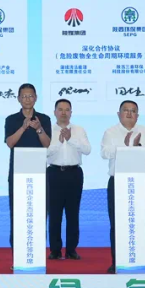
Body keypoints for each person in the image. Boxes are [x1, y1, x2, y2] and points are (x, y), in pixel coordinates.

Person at [100, 100, 145, 274]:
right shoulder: (110, 132)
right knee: (116, 224)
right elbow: (104, 153)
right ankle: (117, 261)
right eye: (126, 110)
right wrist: (124, 147)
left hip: (139, 182)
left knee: (138, 222)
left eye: (133, 111)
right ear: (119, 114)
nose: (129, 113)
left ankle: (138, 260)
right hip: (117, 181)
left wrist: (138, 147)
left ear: (137, 115)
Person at [5, 84, 52, 246]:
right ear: (19, 98)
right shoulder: (11, 119)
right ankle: (17, 249)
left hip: (39, 172)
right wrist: (23, 127)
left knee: (40, 211)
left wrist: (39, 129)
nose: (27, 99)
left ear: (36, 98)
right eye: (24, 96)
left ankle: (37, 248)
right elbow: (10, 143)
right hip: (17, 173)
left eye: (30, 96)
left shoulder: (44, 119)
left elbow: (47, 144)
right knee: (17, 212)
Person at [47, 99, 91, 260]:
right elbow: (44, 152)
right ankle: (55, 250)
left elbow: (87, 149)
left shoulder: (79, 130)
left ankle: (71, 249)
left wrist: (70, 139)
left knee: (73, 213)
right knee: (54, 213)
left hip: (74, 174)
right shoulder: (47, 130)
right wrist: (59, 142)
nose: (64, 113)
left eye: (67, 110)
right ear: (55, 112)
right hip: (54, 173)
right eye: (60, 109)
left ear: (71, 112)